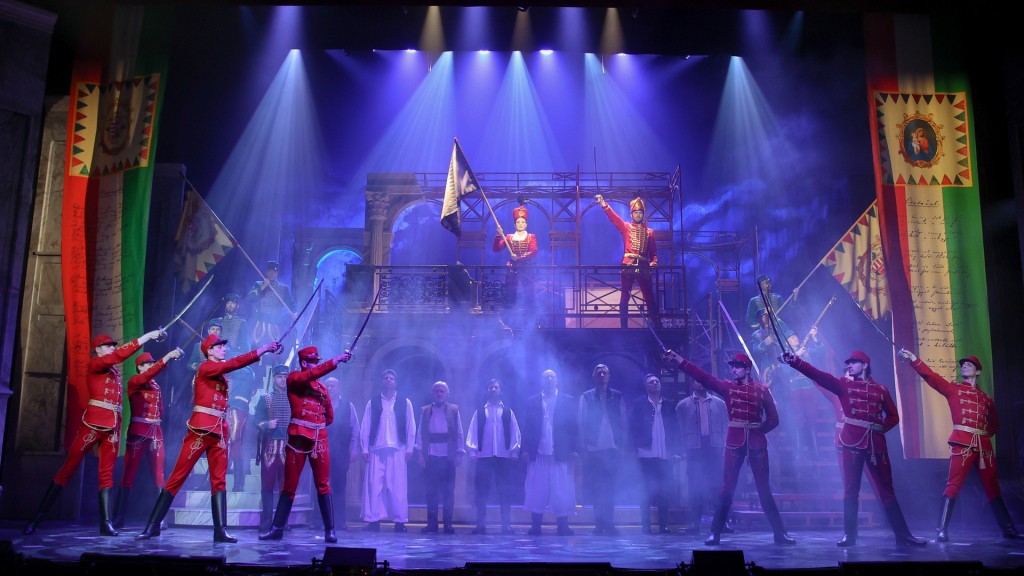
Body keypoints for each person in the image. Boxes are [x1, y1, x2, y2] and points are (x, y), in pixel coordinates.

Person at [136, 334, 281, 542]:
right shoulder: (206, 367)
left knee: (219, 481)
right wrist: (262, 349)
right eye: (219, 346)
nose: (223, 348)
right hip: (201, 430)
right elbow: (234, 363)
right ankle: (152, 526)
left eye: (223, 346)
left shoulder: (220, 374)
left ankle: (220, 531)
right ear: (209, 351)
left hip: (219, 431)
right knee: (177, 477)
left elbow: (234, 370)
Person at [23, 328, 167, 536]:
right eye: (108, 346)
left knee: (106, 475)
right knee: (68, 469)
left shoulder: (114, 373)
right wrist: (146, 337)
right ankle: (36, 519)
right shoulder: (96, 364)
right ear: (98, 350)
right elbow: (117, 357)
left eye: (113, 345)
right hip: (93, 425)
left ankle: (106, 523)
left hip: (112, 428)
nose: (112, 348)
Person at [782, 349, 927, 547]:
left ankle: (903, 535)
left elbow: (894, 416)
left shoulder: (881, 390)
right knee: (851, 489)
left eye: (853, 362)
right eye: (848, 363)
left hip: (875, 444)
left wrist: (878, 429)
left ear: (865, 365)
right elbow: (818, 375)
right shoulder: (843, 385)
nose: (849, 365)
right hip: (851, 443)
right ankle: (849, 535)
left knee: (887, 490)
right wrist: (795, 361)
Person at [664, 350, 796, 546]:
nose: (733, 370)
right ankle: (715, 532)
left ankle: (780, 533)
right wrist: (679, 359)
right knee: (727, 487)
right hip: (734, 441)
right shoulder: (727, 387)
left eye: (737, 367)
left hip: (756, 441)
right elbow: (703, 376)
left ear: (747, 369)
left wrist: (759, 430)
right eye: (732, 367)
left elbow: (774, 419)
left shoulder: (762, 390)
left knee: (763, 488)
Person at [898, 349, 1023, 541]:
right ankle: (941, 530)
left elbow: (995, 424)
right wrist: (913, 359)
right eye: (963, 365)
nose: (964, 366)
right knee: (953, 484)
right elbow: (931, 377)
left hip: (984, 446)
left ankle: (1008, 529)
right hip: (962, 443)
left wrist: (982, 434)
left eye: (969, 365)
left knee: (992, 486)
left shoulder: (986, 399)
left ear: (977, 371)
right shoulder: (954, 389)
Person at [260, 346, 352, 542]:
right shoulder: (294, 378)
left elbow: (330, 416)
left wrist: (316, 425)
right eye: (313, 362)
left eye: (318, 361)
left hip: (319, 439)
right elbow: (310, 375)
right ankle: (277, 529)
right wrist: (335, 361)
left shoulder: (323, 389)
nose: (316, 365)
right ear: (304, 363)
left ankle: (330, 530)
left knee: (323, 484)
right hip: (298, 439)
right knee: (289, 485)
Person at [111, 348, 184, 529]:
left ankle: (159, 518)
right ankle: (119, 516)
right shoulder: (135, 381)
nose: (152, 366)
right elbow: (149, 375)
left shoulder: (156, 386)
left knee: (159, 475)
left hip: (155, 431)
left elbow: (160, 409)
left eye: (152, 363)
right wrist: (167, 356)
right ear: (140, 367)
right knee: (129, 474)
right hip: (139, 430)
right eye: (148, 364)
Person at [521, 369, 579, 536]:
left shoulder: (567, 401)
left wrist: (575, 449)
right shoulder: (533, 401)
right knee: (536, 489)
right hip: (538, 452)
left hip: (560, 451)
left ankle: (563, 525)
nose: (549, 380)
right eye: (546, 377)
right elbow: (527, 426)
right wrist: (525, 449)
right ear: (542, 381)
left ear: (557, 380)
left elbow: (574, 426)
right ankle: (536, 525)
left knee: (562, 490)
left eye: (552, 377)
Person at [360, 368, 417, 532]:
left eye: (391, 378)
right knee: (374, 486)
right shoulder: (373, 402)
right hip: (376, 449)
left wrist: (410, 447)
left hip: (398, 448)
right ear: (381, 381)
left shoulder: (405, 402)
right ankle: (373, 520)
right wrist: (365, 447)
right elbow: (365, 425)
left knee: (397, 486)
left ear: (396, 383)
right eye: (386, 378)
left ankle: (399, 522)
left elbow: (411, 426)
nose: (388, 380)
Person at [594, 194, 660, 329]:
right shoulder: (626, 227)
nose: (638, 215)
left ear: (643, 214)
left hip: (643, 267)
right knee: (625, 296)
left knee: (649, 297)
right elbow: (614, 218)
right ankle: (624, 327)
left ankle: (658, 325)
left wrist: (653, 263)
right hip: (628, 265)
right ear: (631, 214)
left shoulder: (649, 232)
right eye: (635, 212)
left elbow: (653, 253)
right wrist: (603, 204)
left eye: (640, 212)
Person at [465, 379, 521, 535]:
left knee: (505, 492)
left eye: (496, 387)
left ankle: (506, 525)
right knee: (481, 492)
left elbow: (515, 432)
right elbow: (473, 431)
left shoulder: (508, 412)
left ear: (500, 391)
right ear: (487, 390)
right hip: (484, 457)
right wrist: (472, 451)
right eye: (491, 387)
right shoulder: (480, 412)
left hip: (503, 457)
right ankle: (480, 525)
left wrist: (514, 452)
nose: (494, 389)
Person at [577, 363, 627, 535]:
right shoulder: (586, 397)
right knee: (597, 489)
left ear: (609, 376)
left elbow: (623, 422)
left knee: (611, 488)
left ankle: (610, 523)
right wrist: (583, 447)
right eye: (599, 373)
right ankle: (599, 524)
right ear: (593, 376)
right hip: (594, 449)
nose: (602, 375)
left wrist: (622, 446)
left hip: (613, 448)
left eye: (604, 373)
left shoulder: (617, 396)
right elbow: (581, 423)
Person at [628, 373, 680, 534]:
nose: (655, 383)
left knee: (664, 491)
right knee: (646, 491)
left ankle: (664, 525)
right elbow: (633, 427)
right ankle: (646, 525)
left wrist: (676, 450)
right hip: (646, 453)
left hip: (665, 453)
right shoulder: (639, 404)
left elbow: (675, 428)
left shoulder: (669, 404)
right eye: (651, 382)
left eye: (657, 381)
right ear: (646, 386)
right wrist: (633, 448)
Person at [675, 377, 728, 534]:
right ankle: (694, 523)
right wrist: (681, 449)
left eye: (703, 380)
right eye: (698, 380)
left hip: (714, 447)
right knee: (695, 486)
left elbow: (726, 426)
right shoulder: (683, 405)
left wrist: (725, 446)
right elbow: (679, 428)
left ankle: (722, 523)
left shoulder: (719, 403)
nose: (701, 383)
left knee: (717, 486)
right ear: (693, 383)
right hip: (694, 449)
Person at [415, 381, 465, 534]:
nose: (439, 393)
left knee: (448, 492)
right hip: (431, 456)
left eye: (442, 391)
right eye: (436, 391)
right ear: (432, 393)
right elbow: (420, 434)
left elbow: (459, 433)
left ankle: (448, 524)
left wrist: (459, 453)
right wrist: (420, 454)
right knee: (431, 492)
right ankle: (432, 524)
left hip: (448, 457)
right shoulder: (425, 411)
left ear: (447, 394)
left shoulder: (454, 410)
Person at [253, 365, 290, 532]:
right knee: (267, 485)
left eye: (285, 376)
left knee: (286, 486)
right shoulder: (265, 398)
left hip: (288, 448)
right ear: (274, 378)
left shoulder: (292, 398)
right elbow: (256, 421)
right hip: (269, 447)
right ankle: (267, 520)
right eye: (279, 376)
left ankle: (282, 521)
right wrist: (267, 424)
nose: (283, 379)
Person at [326, 375, 360, 532]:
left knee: (339, 486)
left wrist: (354, 449)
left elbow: (355, 429)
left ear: (339, 388)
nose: (330, 388)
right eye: (327, 385)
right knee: (321, 486)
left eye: (333, 385)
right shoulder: (320, 405)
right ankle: (319, 521)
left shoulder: (348, 406)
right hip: (323, 451)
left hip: (341, 452)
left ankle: (339, 521)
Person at [492, 204, 538, 308]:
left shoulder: (531, 237)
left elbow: (534, 251)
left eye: (523, 222)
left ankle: (529, 311)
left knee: (529, 292)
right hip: (512, 268)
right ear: (514, 224)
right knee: (510, 292)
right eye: (518, 222)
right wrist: (498, 235)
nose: (520, 224)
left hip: (526, 268)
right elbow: (496, 248)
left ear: (526, 224)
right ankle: (510, 311)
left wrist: (520, 258)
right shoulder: (509, 237)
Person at [247, 260, 296, 353]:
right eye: (269, 271)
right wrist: (263, 286)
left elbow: (291, 304)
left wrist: (294, 313)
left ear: (277, 273)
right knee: (256, 349)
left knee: (274, 350)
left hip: (275, 322)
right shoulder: (259, 284)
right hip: (260, 322)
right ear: (266, 272)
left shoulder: (283, 288)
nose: (272, 273)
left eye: (274, 271)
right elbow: (250, 298)